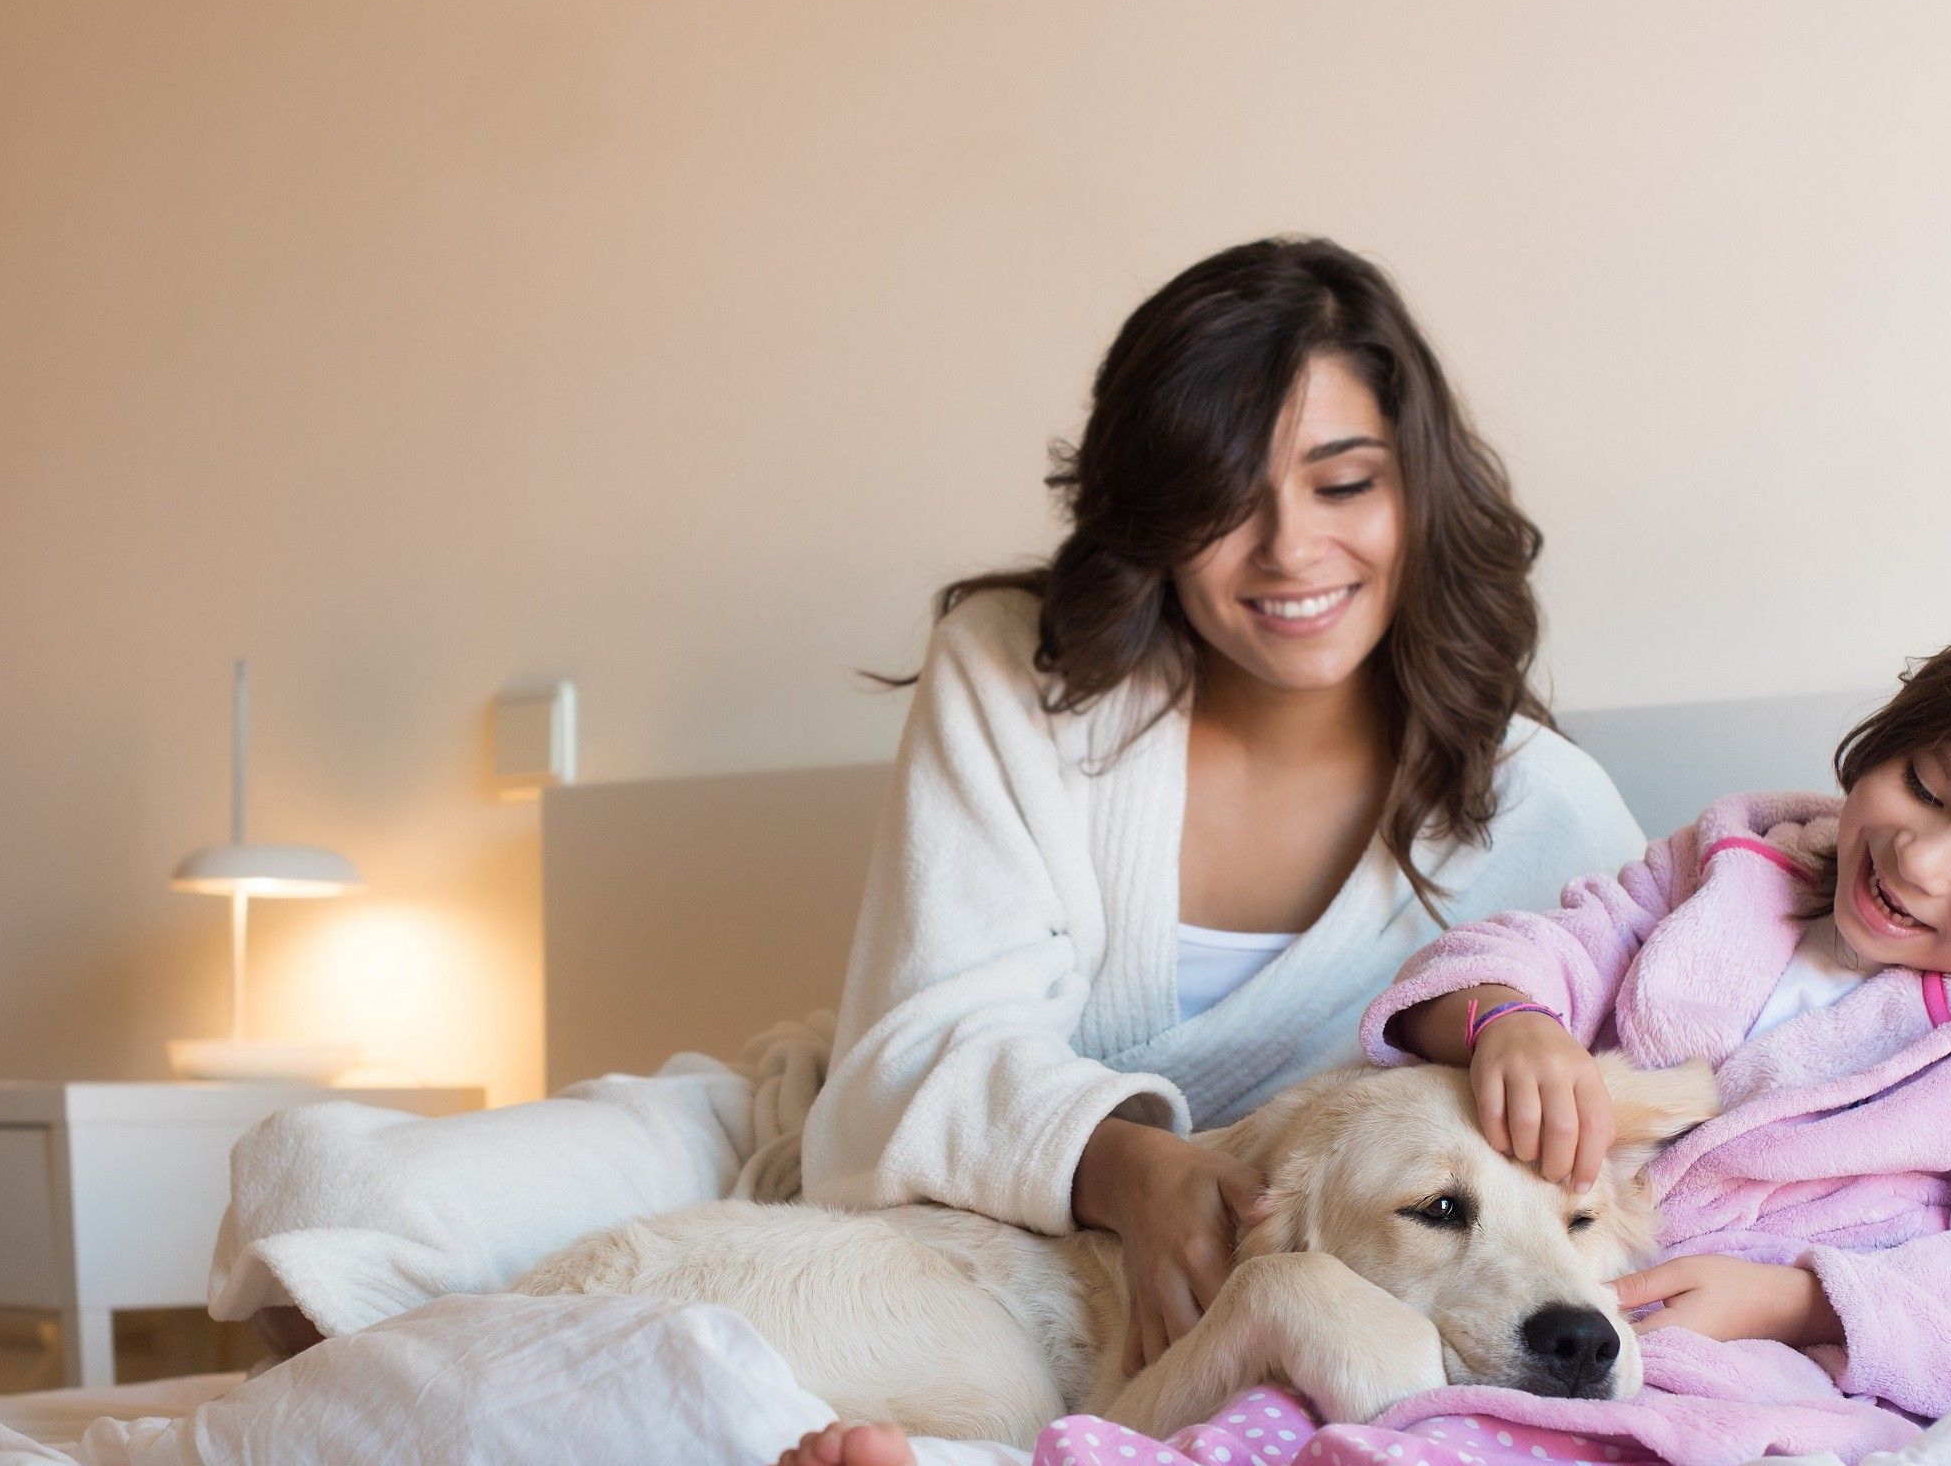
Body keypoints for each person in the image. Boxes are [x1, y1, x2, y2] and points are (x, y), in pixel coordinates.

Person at [713, 595, 1951, 1466]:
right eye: (1925, 787)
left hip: (1757, 1382)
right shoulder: (1735, 862)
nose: (1920, 858)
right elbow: (1538, 936)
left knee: (1431, 1447)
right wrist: (1512, 1016)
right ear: (1896, 727)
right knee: (1292, 1392)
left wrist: (1806, 1301)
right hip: (1565, 1281)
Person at [217, 236, 1643, 1349]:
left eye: (1346, 484)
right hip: (823, 1148)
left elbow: (1683, 1118)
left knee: (697, 1379)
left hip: (1057, 1306)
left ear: (1419, 490)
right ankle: (380, 1414)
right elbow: (924, 1041)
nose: (1290, 551)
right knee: (323, 1200)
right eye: (1227, 495)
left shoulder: (1545, 821)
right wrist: (1130, 1165)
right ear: (1154, 514)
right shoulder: (1025, 674)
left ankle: (448, 1408)